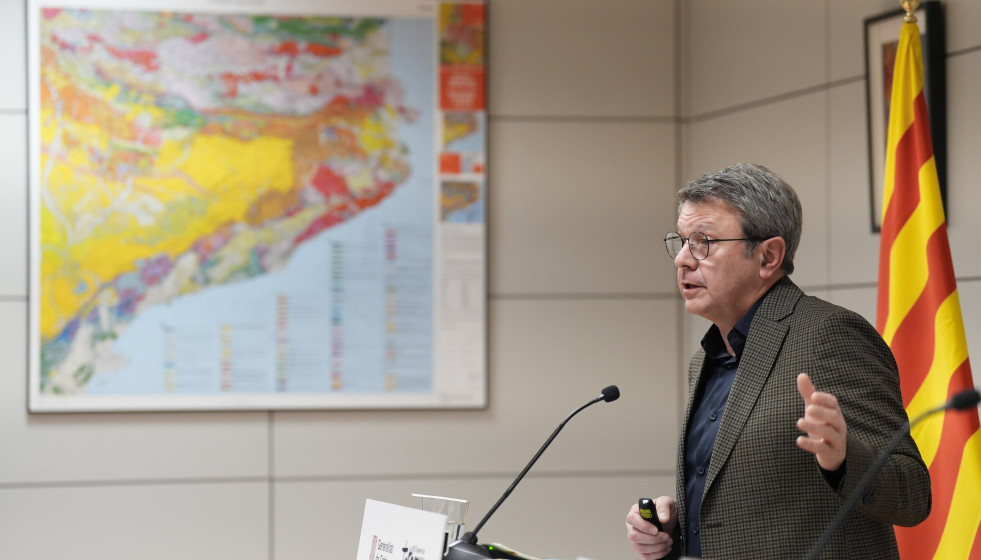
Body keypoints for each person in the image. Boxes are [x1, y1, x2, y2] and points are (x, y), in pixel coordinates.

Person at [624, 163, 931, 559]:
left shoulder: (830, 336)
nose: (682, 259)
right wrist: (674, 525)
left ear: (768, 256)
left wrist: (843, 458)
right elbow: (752, 501)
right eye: (681, 241)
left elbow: (912, 494)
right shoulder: (706, 358)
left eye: (703, 242)